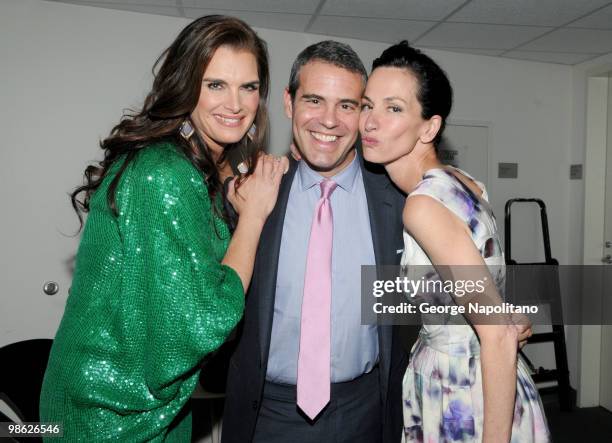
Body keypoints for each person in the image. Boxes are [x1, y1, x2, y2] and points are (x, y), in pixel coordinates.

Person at [39, 15, 287, 441]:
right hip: (109, 415)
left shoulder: (184, 164)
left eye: (248, 87)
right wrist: (253, 217)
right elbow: (199, 319)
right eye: (215, 85)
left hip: (144, 405)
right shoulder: (165, 171)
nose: (235, 103)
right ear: (186, 84)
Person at [359, 41, 550, 442]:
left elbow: (495, 331)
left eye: (393, 108)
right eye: (366, 105)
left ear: (429, 127)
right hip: (486, 375)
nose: (370, 122)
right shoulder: (466, 184)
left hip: (463, 392)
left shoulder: (423, 205)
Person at [222, 40, 409, 443]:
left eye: (347, 105)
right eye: (314, 101)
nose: (329, 120)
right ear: (289, 103)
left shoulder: (400, 200)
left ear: (363, 115)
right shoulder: (251, 194)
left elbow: (435, 286)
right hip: (267, 411)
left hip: (367, 410)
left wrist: (500, 309)